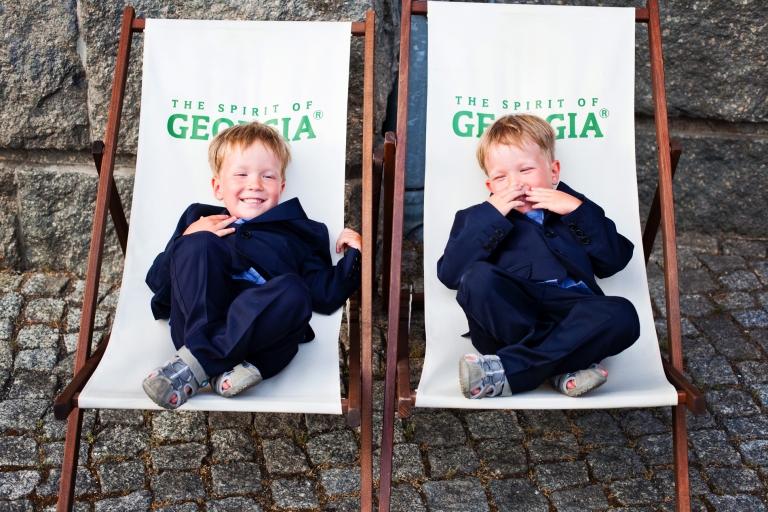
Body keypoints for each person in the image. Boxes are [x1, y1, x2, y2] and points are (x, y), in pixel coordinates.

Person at [142, 121, 362, 409]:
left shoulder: (302, 232)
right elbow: (158, 281)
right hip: (200, 313)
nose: (255, 184)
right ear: (217, 187)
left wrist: (356, 254)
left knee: (294, 290)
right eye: (241, 174)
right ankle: (214, 362)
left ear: (281, 188)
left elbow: (322, 294)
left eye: (267, 177)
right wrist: (186, 238)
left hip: (262, 329)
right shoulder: (199, 220)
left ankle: (195, 365)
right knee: (199, 245)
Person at [437, 114, 640, 399]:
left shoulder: (574, 210)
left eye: (526, 170)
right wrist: (491, 215)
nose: (515, 184)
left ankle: (508, 370)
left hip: (570, 314)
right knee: (478, 278)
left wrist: (575, 210)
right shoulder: (476, 219)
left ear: (554, 172)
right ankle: (562, 365)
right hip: (511, 317)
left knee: (623, 313)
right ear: (490, 187)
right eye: (500, 177)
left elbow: (615, 261)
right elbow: (451, 275)